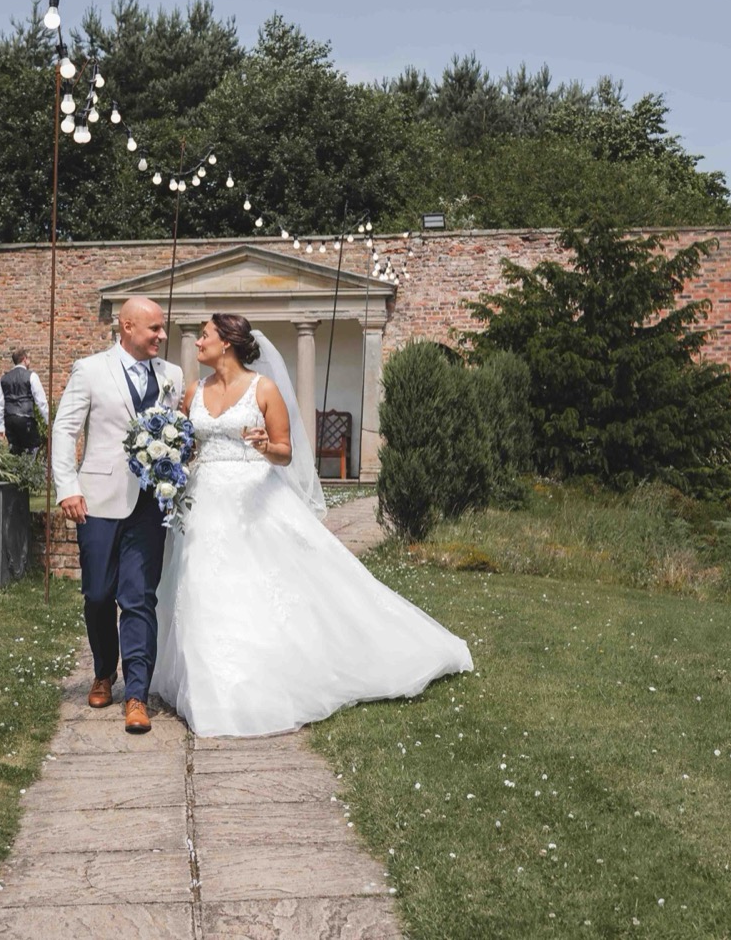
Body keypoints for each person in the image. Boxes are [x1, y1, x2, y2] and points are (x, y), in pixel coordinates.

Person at [151, 313, 474, 738]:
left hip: (254, 497)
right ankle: (210, 685)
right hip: (204, 500)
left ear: (226, 342)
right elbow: (187, 446)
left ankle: (271, 674)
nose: (197, 342)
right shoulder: (194, 391)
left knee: (259, 583)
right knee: (201, 584)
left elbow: (286, 452)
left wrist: (266, 446)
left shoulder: (263, 389)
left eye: (205, 335)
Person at [51, 297, 184, 734]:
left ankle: (137, 694)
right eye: (154, 328)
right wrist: (68, 487)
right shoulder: (90, 370)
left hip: (150, 504)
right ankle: (104, 670)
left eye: (162, 328)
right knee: (97, 594)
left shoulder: (172, 375)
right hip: (98, 500)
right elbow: (65, 429)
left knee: (139, 597)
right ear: (127, 327)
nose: (162, 335)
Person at [0, 348, 49, 455]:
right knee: (33, 449)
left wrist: (0, 427)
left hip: (9, 419)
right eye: (29, 359)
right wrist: (48, 421)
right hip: (26, 419)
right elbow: (41, 401)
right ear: (24, 359)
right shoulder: (31, 376)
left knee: (14, 452)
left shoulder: (3, 379)